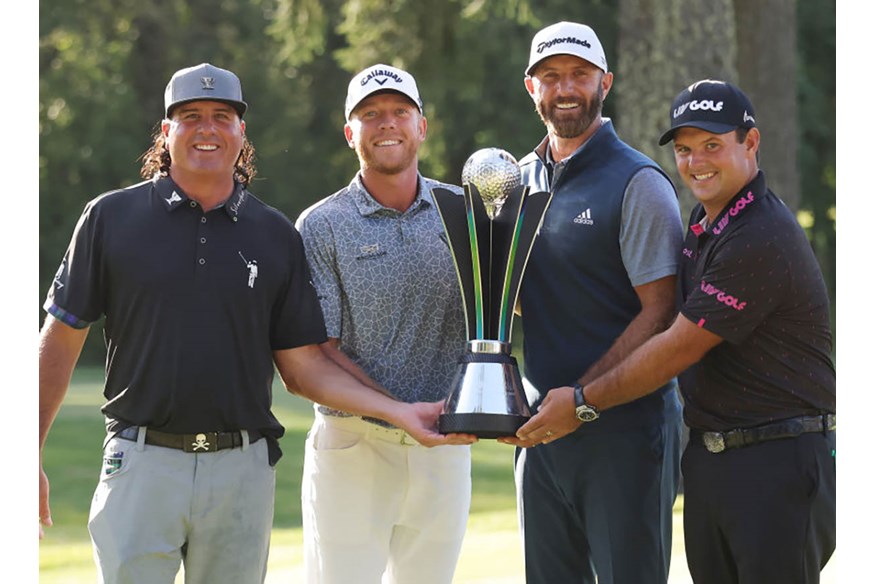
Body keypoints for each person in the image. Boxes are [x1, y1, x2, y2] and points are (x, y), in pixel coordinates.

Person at [38, 62, 471, 584]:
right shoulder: (109, 218)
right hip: (140, 458)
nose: (207, 129)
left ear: (242, 133)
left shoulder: (274, 234)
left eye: (223, 116)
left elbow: (303, 363)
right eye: (190, 115)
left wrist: (402, 413)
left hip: (242, 469)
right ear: (166, 130)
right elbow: (59, 340)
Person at [513, 79, 836, 583]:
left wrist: (580, 401)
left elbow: (677, 345)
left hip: (778, 461)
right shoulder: (707, 224)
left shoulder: (759, 235)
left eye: (712, 145)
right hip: (714, 459)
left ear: (750, 143)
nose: (695, 162)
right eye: (685, 149)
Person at [498, 22, 685, 583]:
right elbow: (526, 299)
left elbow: (662, 313)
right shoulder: (515, 181)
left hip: (625, 432)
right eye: (551, 77)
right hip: (541, 429)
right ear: (531, 88)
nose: (566, 88)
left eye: (579, 74)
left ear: (606, 81)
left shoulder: (638, 182)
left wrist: (580, 400)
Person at [293, 63, 473, 584]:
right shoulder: (322, 224)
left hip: (445, 444)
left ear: (422, 126)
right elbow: (320, 349)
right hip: (353, 445)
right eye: (370, 114)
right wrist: (398, 412)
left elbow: (504, 309)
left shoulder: (462, 211)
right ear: (351, 133)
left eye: (400, 112)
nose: (386, 123)